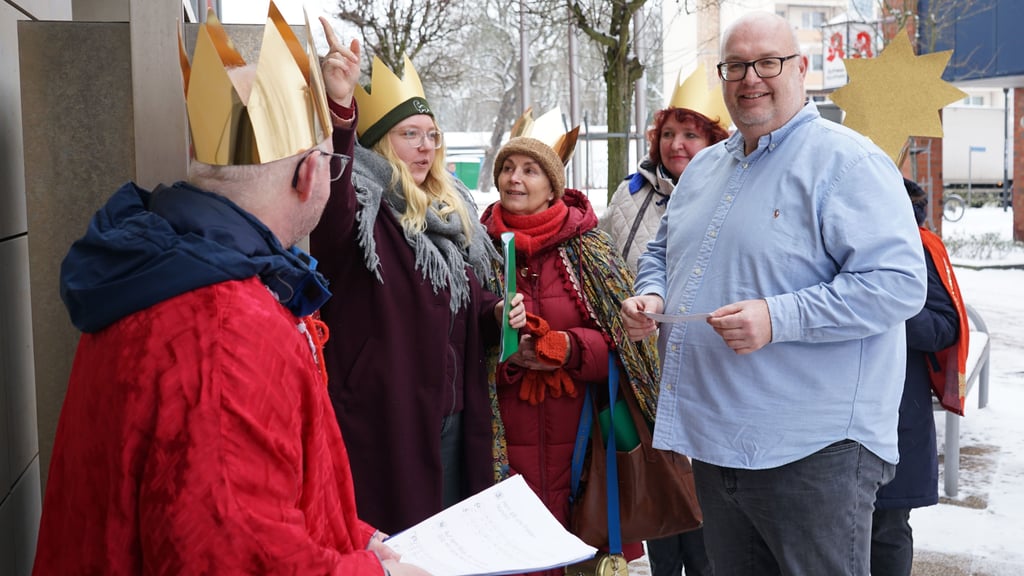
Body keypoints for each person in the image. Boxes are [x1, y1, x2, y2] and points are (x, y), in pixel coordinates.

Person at [34, 9, 429, 575]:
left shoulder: (175, 269)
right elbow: (236, 557)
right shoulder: (227, 329)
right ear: (307, 175)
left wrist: (355, 538)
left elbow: (252, 497)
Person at [620, 11, 928, 576]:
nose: (750, 78)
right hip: (716, 440)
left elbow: (899, 284)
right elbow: (664, 253)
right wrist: (653, 296)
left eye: (768, 62)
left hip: (815, 450)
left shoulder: (848, 161)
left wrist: (777, 317)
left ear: (802, 69)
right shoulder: (706, 168)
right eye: (736, 65)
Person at [309, 54, 525, 535]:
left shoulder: (446, 214)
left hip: (450, 415)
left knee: (445, 544)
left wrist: (496, 314)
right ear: (378, 142)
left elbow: (466, 299)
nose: (425, 148)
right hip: (385, 420)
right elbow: (334, 194)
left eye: (431, 135)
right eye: (409, 134)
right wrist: (341, 108)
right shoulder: (358, 206)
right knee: (397, 547)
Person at [480, 128, 661, 576]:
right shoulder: (477, 249)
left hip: (584, 446)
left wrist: (568, 347)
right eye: (507, 167)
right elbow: (456, 341)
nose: (514, 178)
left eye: (529, 169)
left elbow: (629, 345)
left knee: (574, 555)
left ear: (552, 186)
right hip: (501, 441)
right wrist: (505, 353)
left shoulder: (591, 249)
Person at [870, 178, 966, 576]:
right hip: (823, 412)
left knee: (887, 527)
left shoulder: (919, 248)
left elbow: (944, 327)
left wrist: (890, 303)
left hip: (895, 413)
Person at [600, 64, 730, 274]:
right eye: (668, 134)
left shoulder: (730, 197)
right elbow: (598, 251)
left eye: (690, 135)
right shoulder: (630, 191)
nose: (675, 144)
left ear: (713, 143)